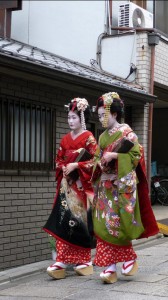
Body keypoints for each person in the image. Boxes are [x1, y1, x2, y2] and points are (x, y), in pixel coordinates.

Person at [92, 92, 159, 284]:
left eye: (102, 115)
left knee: (116, 225)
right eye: (98, 117)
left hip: (120, 187)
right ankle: (110, 267)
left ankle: (128, 258)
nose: (100, 120)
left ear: (114, 114)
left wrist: (114, 157)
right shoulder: (103, 136)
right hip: (105, 188)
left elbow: (135, 156)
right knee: (103, 225)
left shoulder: (128, 133)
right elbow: (96, 158)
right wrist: (100, 163)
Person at [43, 97, 97, 280]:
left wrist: (77, 166)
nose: (70, 121)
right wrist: (63, 167)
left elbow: (95, 161)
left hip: (81, 187)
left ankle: (84, 259)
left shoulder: (89, 138)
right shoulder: (65, 139)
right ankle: (62, 259)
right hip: (67, 186)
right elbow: (58, 159)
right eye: (69, 117)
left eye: (74, 117)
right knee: (62, 220)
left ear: (82, 118)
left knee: (80, 222)